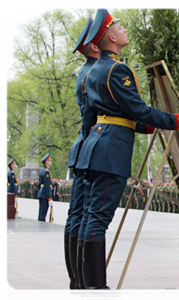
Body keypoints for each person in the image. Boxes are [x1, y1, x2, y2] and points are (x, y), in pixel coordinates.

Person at [75, 8, 179, 300]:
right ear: (112, 38)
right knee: (98, 219)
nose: (124, 29)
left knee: (90, 217)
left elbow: (93, 118)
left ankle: (86, 285)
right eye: (120, 27)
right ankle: (94, 288)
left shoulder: (93, 71)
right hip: (110, 152)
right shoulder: (118, 70)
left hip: (96, 147)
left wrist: (142, 127)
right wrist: (178, 120)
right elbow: (138, 109)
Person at [64, 17, 101, 298]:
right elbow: (91, 114)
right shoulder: (91, 74)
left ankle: (77, 280)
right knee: (81, 216)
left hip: (82, 146)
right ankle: (80, 280)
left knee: (76, 216)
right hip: (89, 145)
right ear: (92, 45)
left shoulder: (86, 72)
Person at [37, 154, 53, 221]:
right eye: (49, 160)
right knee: (43, 214)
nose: (50, 161)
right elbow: (47, 186)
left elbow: (39, 184)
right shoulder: (46, 172)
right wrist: (49, 198)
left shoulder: (42, 170)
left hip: (42, 193)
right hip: (45, 195)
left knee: (41, 213)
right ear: (46, 162)